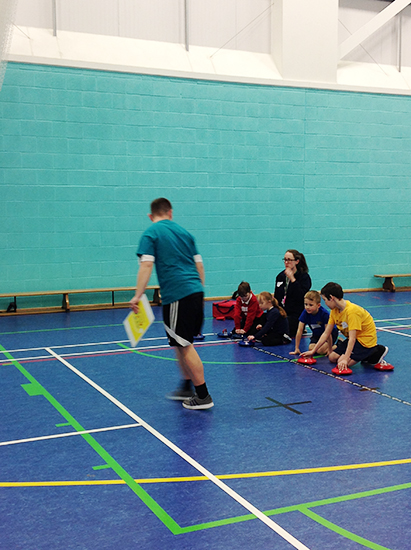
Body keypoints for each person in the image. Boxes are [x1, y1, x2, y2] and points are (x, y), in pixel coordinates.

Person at [130, 198, 213, 410]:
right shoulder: (186, 233)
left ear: (151, 216)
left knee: (184, 345)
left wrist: (138, 295)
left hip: (177, 295)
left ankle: (202, 396)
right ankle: (186, 386)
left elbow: (147, 265)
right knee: (180, 342)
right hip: (195, 292)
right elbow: (200, 266)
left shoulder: (152, 233)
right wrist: (198, 291)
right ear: (170, 213)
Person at [301, 282, 391, 372]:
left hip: (365, 342)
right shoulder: (334, 311)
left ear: (331, 298)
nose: (325, 303)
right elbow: (326, 333)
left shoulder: (352, 312)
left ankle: (376, 350)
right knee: (332, 357)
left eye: (325, 300)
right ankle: (361, 355)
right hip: (355, 340)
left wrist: (345, 358)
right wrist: (313, 351)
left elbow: (352, 338)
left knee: (342, 363)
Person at [274, 249, 311, 337]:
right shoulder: (280, 276)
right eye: (285, 260)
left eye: (289, 260)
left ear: (296, 261)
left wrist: (293, 280)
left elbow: (301, 296)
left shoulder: (304, 277)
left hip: (295, 313)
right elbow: (276, 296)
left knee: (285, 324)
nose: (286, 262)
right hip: (282, 311)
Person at [290, 290, 338, 356]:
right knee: (311, 349)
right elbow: (299, 330)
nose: (307, 307)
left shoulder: (324, 314)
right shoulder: (305, 313)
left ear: (318, 305)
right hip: (317, 334)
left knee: (320, 351)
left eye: (311, 305)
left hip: (330, 334)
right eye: (306, 304)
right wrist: (297, 348)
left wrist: (330, 350)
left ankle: (338, 344)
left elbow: (328, 333)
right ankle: (324, 347)